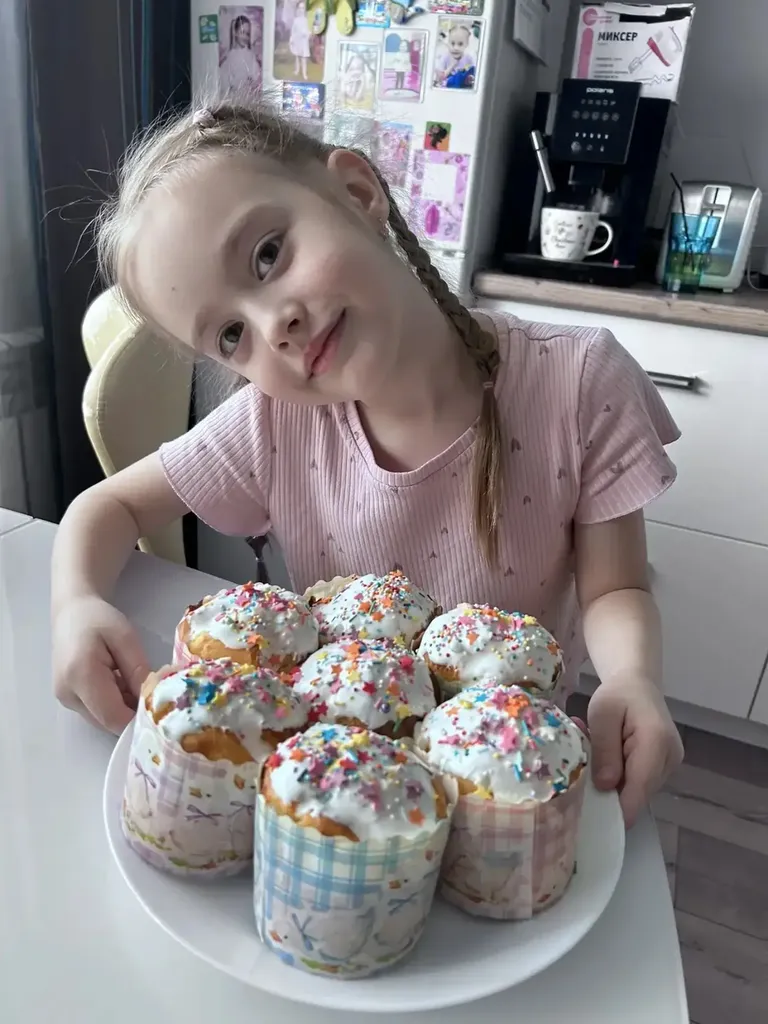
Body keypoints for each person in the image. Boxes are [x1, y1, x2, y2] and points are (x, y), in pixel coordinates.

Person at [52, 95, 684, 827]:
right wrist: (76, 607)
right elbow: (107, 506)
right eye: (230, 336)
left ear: (357, 192)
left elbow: (615, 588)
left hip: (508, 787)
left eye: (268, 255)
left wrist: (632, 678)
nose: (275, 325)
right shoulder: (272, 421)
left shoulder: (579, 382)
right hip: (340, 805)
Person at [219, 14, 262, 94]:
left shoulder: (251, 56)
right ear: (235, 32)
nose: (245, 37)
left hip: (248, 96)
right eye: (242, 32)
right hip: (233, 97)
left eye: (247, 34)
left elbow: (256, 78)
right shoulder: (229, 57)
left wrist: (252, 83)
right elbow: (225, 84)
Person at [433, 22, 475, 89]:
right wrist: (451, 66)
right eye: (452, 43)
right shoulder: (445, 57)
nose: (456, 48)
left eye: (460, 44)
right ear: (448, 43)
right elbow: (439, 79)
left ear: (466, 45)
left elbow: (472, 75)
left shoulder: (468, 58)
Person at [289, 0, 311, 81]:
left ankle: (304, 74)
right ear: (298, 9)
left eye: (303, 8)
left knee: (303, 58)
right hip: (297, 40)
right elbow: (293, 30)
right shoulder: (296, 20)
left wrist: (307, 33)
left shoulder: (307, 20)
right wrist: (292, 38)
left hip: (304, 40)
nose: (301, 10)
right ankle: (297, 70)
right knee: (297, 57)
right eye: (300, 8)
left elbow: (310, 30)